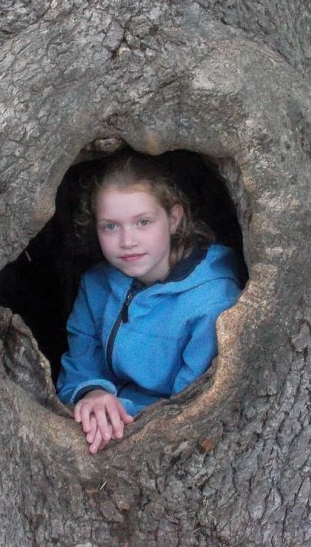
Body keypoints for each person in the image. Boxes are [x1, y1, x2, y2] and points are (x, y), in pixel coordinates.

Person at [57, 151, 242, 454]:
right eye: (110, 226)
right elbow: (81, 363)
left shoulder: (212, 302)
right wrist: (92, 392)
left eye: (143, 222)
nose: (127, 240)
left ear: (173, 218)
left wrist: (116, 410)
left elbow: (193, 406)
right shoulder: (96, 286)